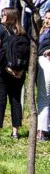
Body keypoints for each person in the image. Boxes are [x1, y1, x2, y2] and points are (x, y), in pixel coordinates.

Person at [0, 8, 26, 140]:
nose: (1, 16)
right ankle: (15, 132)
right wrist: (20, 71)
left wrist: (6, 68)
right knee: (16, 100)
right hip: (19, 72)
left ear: (8, 17)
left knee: (0, 100)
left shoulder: (0, 29)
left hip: (0, 71)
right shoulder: (22, 32)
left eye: (3, 15)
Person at [36, 9, 50, 141]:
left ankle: (42, 130)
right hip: (40, 65)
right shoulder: (42, 31)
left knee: (44, 96)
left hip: (46, 65)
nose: (47, 21)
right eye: (46, 18)